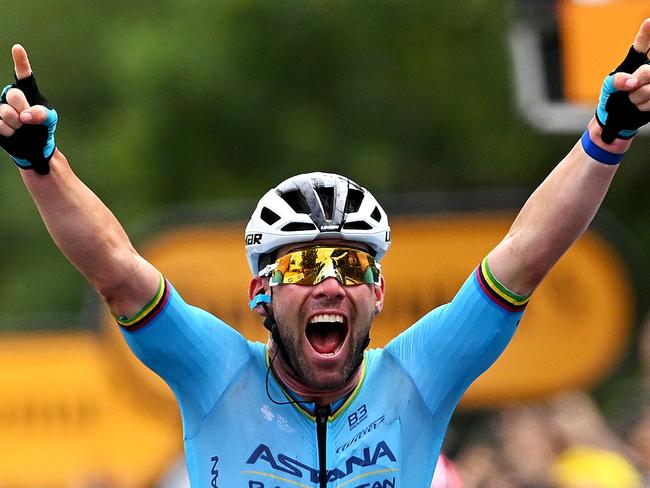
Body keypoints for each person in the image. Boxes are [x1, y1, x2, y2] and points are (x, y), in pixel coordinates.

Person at [0, 19, 648, 488]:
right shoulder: (218, 373)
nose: (333, 283)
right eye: (306, 266)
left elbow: (527, 253)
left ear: (379, 293)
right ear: (261, 293)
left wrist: (607, 135)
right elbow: (115, 268)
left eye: (354, 266)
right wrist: (42, 164)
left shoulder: (417, 377)